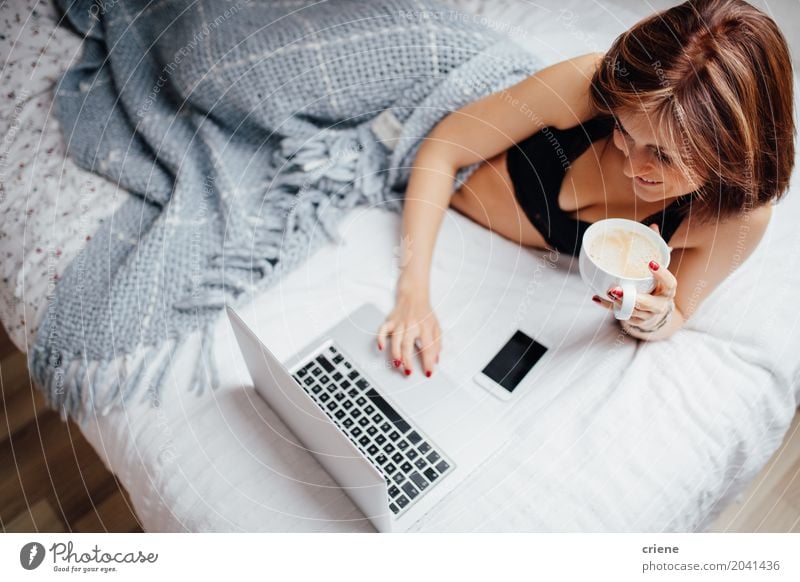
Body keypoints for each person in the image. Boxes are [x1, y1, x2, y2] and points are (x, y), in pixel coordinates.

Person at [376, 0, 795, 377]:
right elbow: (442, 150)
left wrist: (649, 318)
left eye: (664, 157)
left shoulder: (733, 219)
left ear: (733, 155)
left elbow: (678, 311)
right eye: (623, 132)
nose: (633, 165)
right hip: (422, 75)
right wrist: (413, 290)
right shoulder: (586, 86)